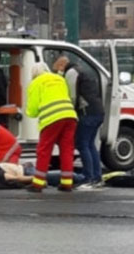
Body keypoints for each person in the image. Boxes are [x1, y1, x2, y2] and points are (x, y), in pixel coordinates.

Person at [54, 56, 105, 190]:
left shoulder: (72, 73)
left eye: (57, 68)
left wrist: (69, 112)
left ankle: (88, 178)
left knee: (83, 145)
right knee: (90, 145)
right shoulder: (82, 70)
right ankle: (97, 177)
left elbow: (72, 96)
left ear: (62, 65)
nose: (58, 71)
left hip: (86, 112)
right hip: (97, 111)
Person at [25, 62, 78, 192]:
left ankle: (38, 184)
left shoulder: (36, 82)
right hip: (70, 116)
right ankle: (67, 183)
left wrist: (28, 112)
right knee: (67, 150)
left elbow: (33, 109)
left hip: (52, 119)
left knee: (44, 150)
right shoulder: (59, 79)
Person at [0, 161, 88, 189]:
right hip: (25, 172)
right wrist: (37, 179)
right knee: (54, 176)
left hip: (24, 170)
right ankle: (82, 178)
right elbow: (16, 178)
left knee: (54, 179)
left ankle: (79, 178)